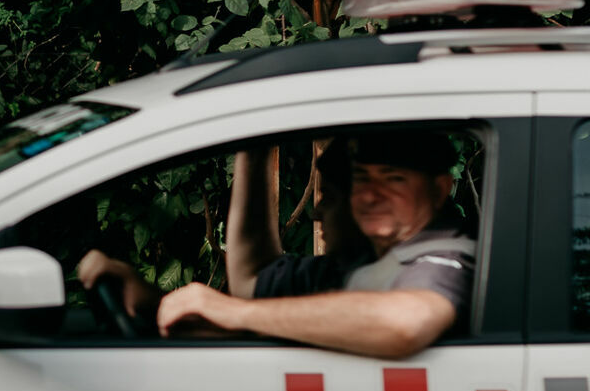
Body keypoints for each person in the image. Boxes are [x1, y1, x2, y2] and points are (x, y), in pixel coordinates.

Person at [153, 130, 475, 358]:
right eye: (362, 178)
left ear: (439, 189)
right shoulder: (364, 263)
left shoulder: (448, 257)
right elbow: (253, 281)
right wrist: (254, 145)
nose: (369, 196)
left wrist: (234, 313)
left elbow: (406, 322)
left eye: (393, 179)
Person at [79, 138, 368, 316]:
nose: (317, 213)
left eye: (330, 197)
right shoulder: (336, 276)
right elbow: (254, 281)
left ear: (375, 201)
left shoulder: (378, 289)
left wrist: (228, 312)